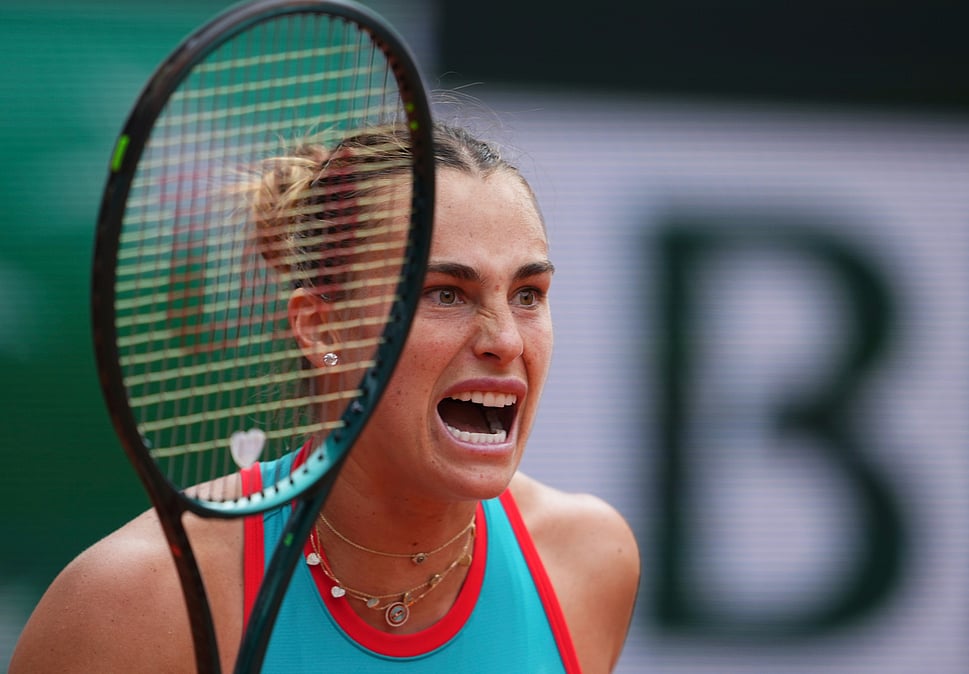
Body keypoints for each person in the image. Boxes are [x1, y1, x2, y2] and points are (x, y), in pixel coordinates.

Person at [10, 122, 640, 673]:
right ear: (322, 328)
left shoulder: (589, 560)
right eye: (445, 293)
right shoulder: (138, 599)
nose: (505, 339)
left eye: (528, 294)